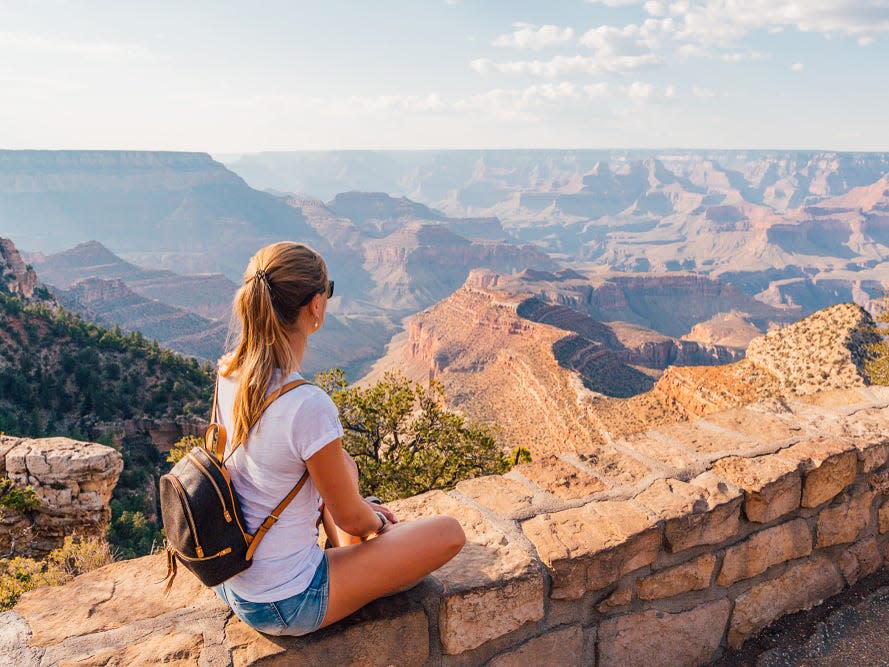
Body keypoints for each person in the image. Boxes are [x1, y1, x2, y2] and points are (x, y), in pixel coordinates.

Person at [212, 241, 466, 636]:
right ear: (315, 305)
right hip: (287, 601)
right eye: (326, 291)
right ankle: (359, 553)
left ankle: (355, 551)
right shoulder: (306, 404)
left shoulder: (228, 373)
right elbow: (350, 517)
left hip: (233, 582)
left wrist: (359, 510)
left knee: (343, 463)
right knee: (449, 532)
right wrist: (378, 523)